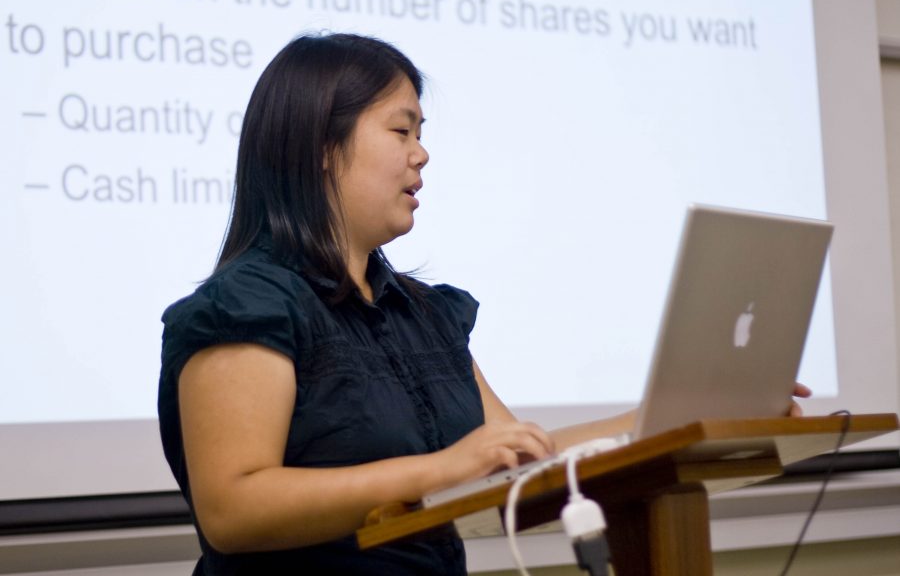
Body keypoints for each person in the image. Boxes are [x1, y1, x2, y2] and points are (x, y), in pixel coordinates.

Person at [157, 33, 811, 576]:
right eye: (401, 129)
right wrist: (441, 468)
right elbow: (233, 510)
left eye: (421, 131)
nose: (422, 153)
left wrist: (680, 416)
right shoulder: (244, 306)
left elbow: (519, 454)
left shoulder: (424, 314)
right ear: (323, 148)